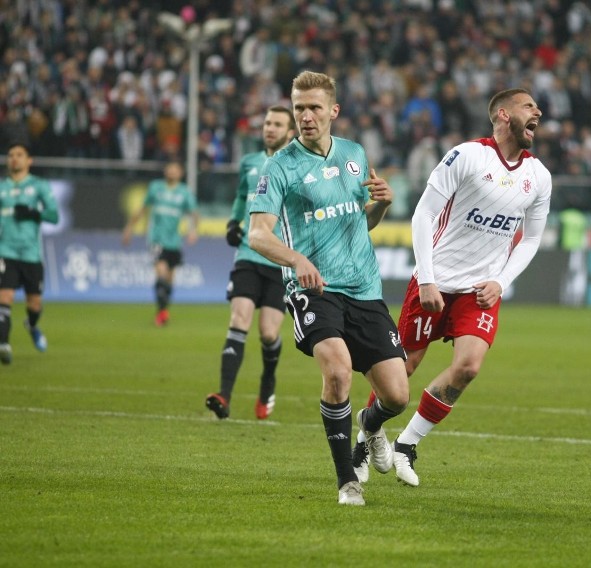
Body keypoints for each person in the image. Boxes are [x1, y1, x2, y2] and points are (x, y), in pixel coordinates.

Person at [364, 88, 552, 487]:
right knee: (403, 369)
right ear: (503, 115)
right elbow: (424, 213)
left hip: (480, 290)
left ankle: (407, 445)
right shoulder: (468, 155)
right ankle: (365, 438)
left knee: (467, 367)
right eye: (528, 106)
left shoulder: (539, 177)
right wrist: (427, 278)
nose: (538, 111)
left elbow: (532, 239)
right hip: (436, 281)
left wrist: (501, 281)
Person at [248, 71, 409, 506]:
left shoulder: (354, 154)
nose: (305, 116)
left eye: (314, 107)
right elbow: (258, 234)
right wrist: (297, 260)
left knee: (397, 394)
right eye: (299, 108)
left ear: (333, 111)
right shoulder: (279, 166)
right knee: (337, 372)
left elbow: (362, 221)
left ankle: (370, 426)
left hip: (364, 287)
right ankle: (346, 481)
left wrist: (381, 205)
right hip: (314, 290)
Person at [205, 105, 296, 421]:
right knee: (238, 318)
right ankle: (223, 396)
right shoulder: (249, 163)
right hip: (247, 254)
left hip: (280, 261)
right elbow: (241, 197)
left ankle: (267, 382)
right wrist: (233, 222)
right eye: (267, 123)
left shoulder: (298, 166)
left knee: (269, 333)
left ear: (290, 132)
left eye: (277, 124)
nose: (270, 129)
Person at [0, 143, 59, 364]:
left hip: (31, 255)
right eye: (11, 155)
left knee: (34, 304)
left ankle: (32, 325)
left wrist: (34, 213)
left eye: (19, 155)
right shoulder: (2, 187)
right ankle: (3, 344)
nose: (14, 159)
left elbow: (54, 216)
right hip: (6, 252)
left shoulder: (39, 186)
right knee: (4, 297)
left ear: (29, 160)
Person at [122, 161, 199, 326]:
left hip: (174, 242)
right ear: (165, 171)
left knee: (170, 281)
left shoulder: (184, 192)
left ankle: (163, 311)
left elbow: (194, 213)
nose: (171, 171)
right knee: (161, 273)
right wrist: (129, 228)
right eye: (169, 168)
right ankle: (162, 313)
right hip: (156, 239)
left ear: (181, 173)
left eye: (175, 168)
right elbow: (142, 209)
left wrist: (193, 231)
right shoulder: (155, 188)